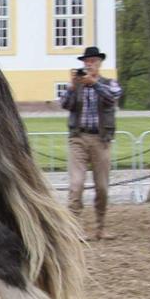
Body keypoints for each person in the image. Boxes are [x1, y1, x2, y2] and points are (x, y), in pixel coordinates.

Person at [58, 45, 123, 240]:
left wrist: (93, 83)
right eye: (87, 62)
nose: (89, 64)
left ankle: (100, 227)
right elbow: (64, 105)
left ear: (99, 63)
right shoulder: (76, 86)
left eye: (93, 61)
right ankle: (74, 229)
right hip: (78, 138)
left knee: (102, 186)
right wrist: (71, 87)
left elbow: (112, 97)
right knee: (76, 184)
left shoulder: (109, 83)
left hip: (101, 140)